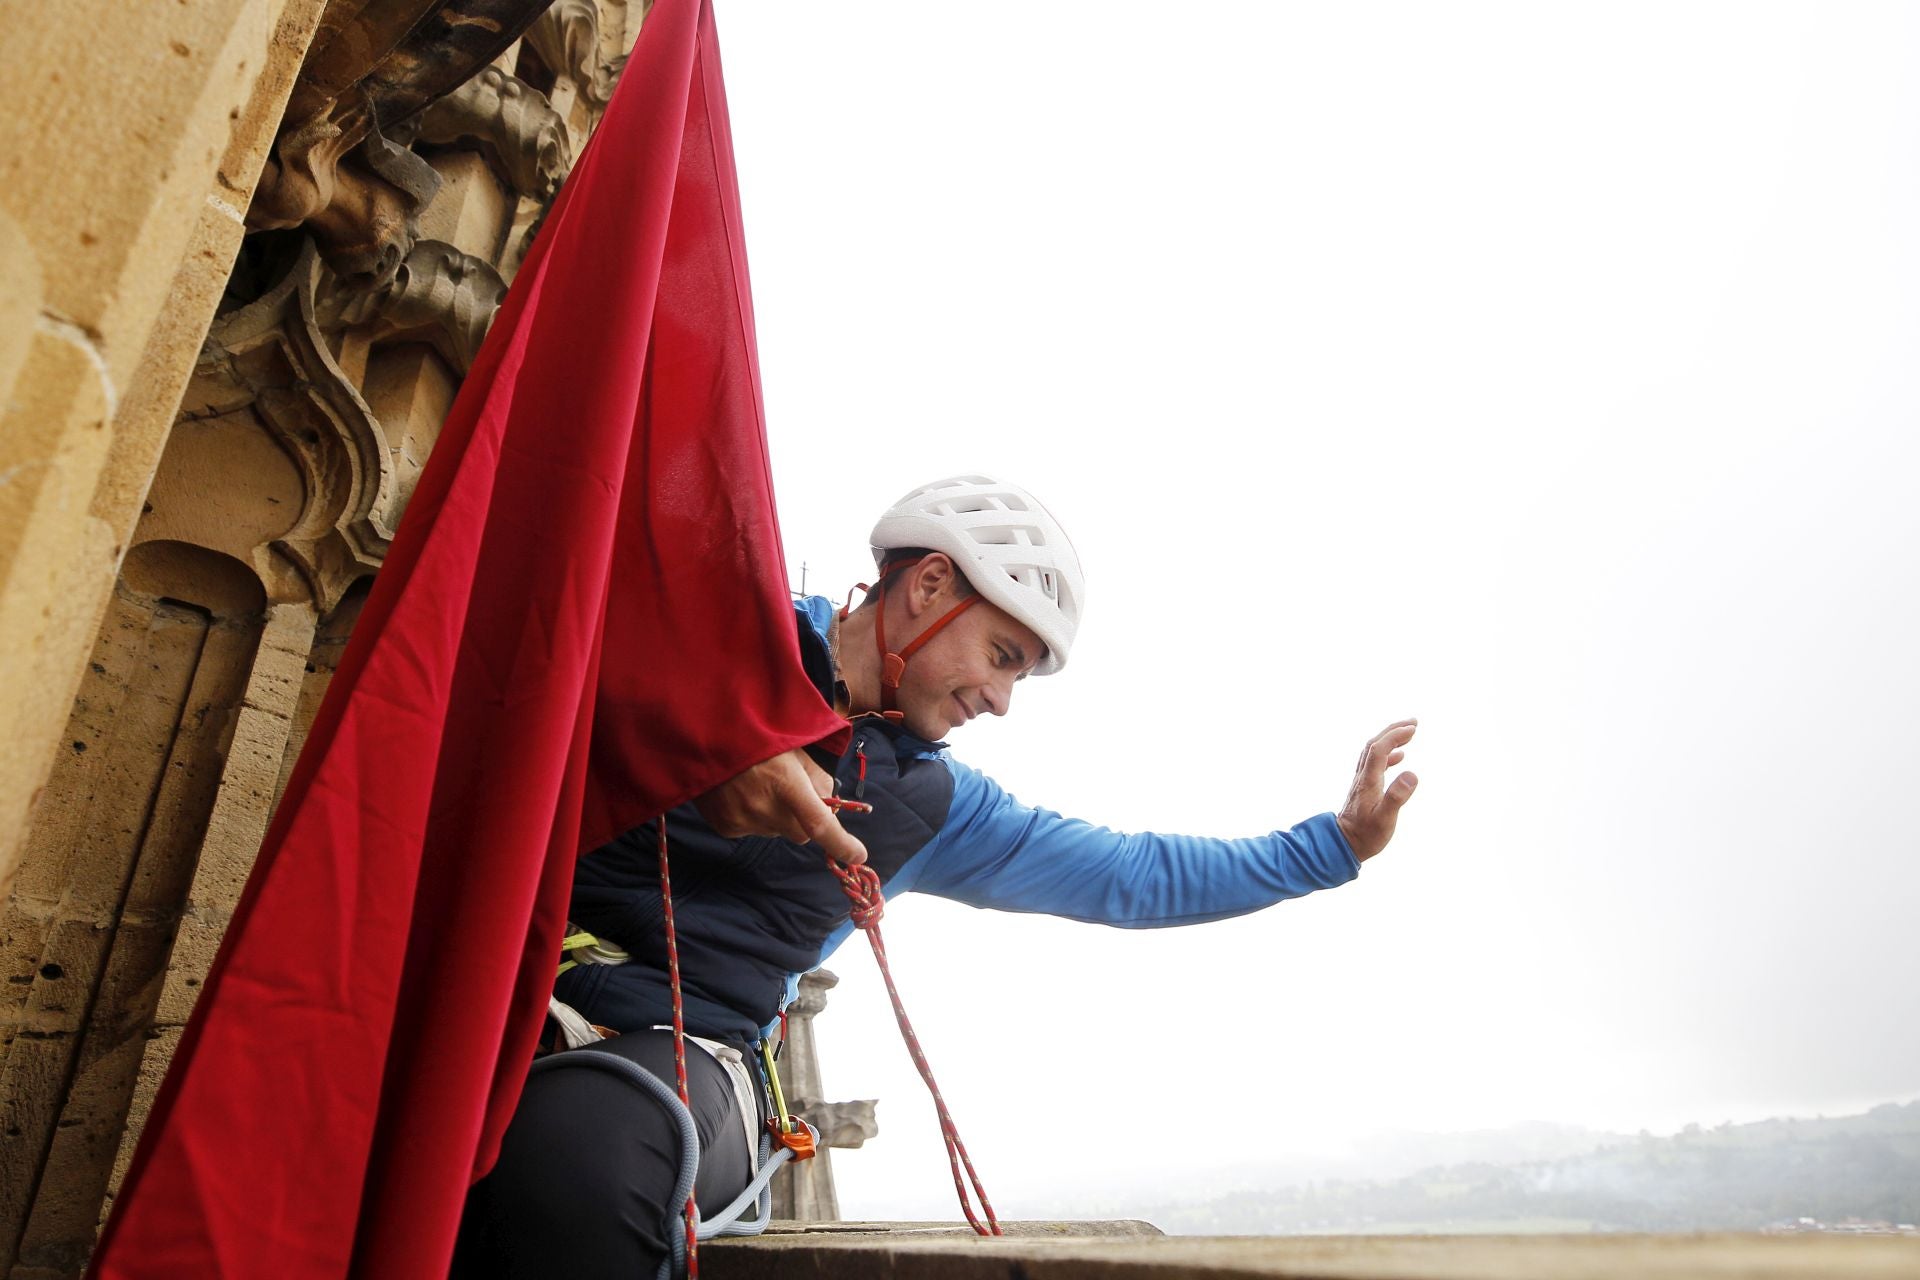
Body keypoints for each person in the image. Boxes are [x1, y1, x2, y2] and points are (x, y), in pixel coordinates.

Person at [450, 475, 1418, 1278]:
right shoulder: (715, 636)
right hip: (507, 985)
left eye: (1020, 676)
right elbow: (543, 654)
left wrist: (1331, 845)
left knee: (589, 1147)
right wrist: (698, 735)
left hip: (687, 1055)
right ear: (927, 584)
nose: (1001, 700)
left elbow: (1133, 872)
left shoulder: (941, 808)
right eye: (1002, 655)